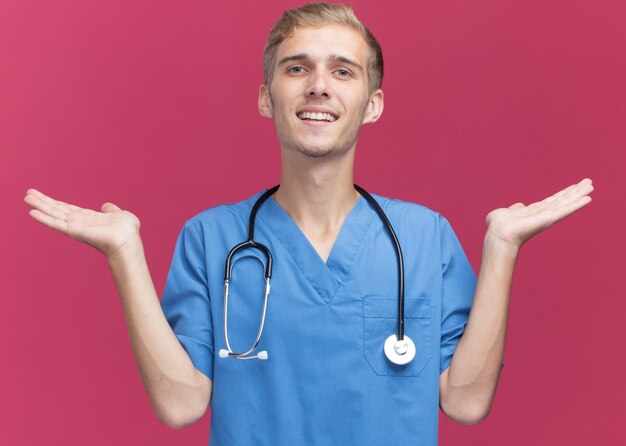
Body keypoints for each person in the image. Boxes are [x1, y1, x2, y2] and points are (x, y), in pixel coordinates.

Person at [24, 3, 594, 445]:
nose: (318, 85)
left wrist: (502, 250)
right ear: (267, 98)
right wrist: (124, 253)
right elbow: (181, 406)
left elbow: (466, 403)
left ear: (372, 104)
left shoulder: (424, 237)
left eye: (342, 71)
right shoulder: (212, 239)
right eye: (297, 68)